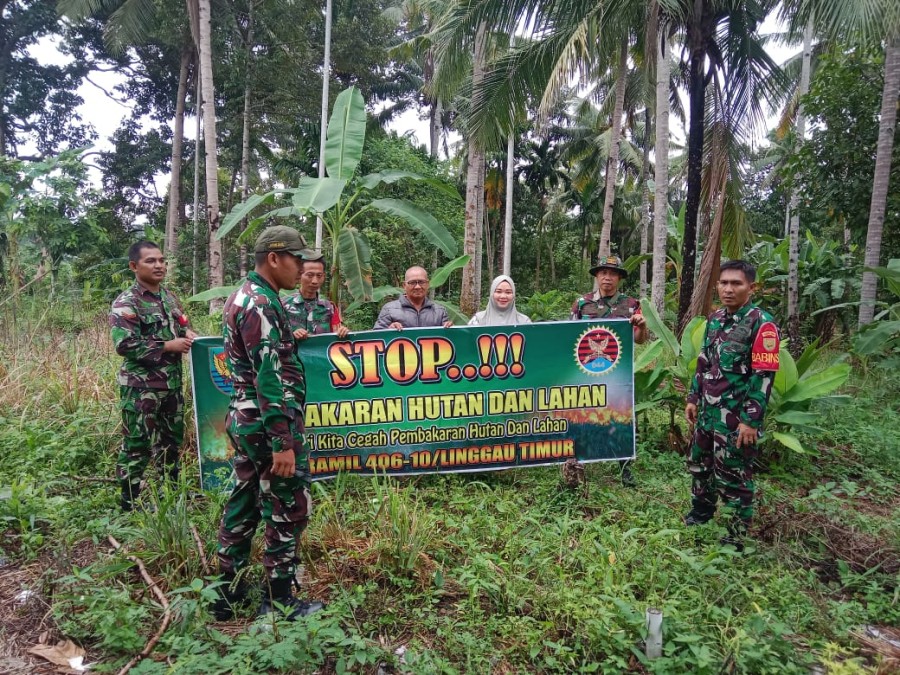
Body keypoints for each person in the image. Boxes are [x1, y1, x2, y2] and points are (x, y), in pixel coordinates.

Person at [213, 226, 324, 621]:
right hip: (266, 422)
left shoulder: (248, 296)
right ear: (274, 258)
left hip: (247, 418)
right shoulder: (259, 303)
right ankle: (278, 601)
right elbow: (268, 376)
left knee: (244, 502)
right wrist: (282, 440)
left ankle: (225, 593)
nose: (302, 267)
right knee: (288, 505)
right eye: (297, 259)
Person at [683, 260, 780, 551]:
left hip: (736, 419)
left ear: (752, 287)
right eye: (724, 283)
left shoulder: (762, 324)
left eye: (736, 283)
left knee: (734, 476)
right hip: (708, 412)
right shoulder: (715, 320)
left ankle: (737, 533)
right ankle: (701, 513)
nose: (728, 289)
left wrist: (751, 420)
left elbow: (764, 377)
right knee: (699, 465)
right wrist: (693, 397)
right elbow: (704, 361)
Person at [109, 241, 196, 512]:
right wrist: (167, 346)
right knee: (137, 445)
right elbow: (124, 345)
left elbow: (182, 324)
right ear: (134, 266)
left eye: (161, 260)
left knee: (171, 443)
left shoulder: (169, 298)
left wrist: (188, 334)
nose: (159, 265)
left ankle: (171, 495)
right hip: (140, 389)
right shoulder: (127, 302)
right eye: (150, 261)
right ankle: (129, 504)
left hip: (171, 385)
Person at [571, 255, 648, 487]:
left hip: (618, 373)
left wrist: (642, 327)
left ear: (619, 278)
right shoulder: (582, 303)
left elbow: (640, 340)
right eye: (603, 272)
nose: (607, 277)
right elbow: (570, 336)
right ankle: (578, 463)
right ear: (596, 276)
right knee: (582, 416)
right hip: (585, 372)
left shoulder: (631, 305)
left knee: (621, 417)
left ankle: (624, 467)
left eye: (612, 273)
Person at [283, 254, 350, 341]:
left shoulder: (329, 307)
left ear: (324, 276)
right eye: (309, 275)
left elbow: (336, 335)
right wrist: (291, 335)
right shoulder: (283, 305)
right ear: (299, 275)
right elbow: (273, 336)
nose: (315, 281)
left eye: (319, 276)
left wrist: (343, 332)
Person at [374, 266, 453, 329]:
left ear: (427, 284)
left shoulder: (439, 311)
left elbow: (449, 339)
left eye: (421, 282)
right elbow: (376, 338)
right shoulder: (389, 309)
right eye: (412, 283)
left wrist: (450, 329)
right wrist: (389, 329)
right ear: (404, 285)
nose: (417, 287)